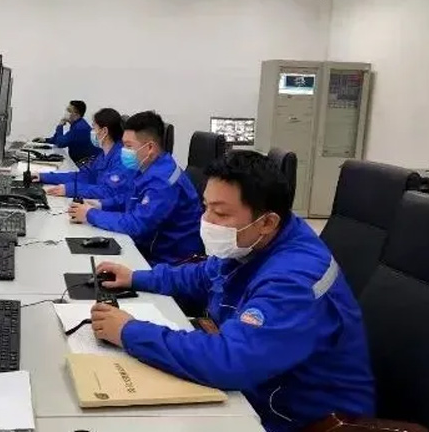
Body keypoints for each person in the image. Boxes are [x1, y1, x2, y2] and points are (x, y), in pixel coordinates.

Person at [89, 151, 375, 432]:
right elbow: (203, 275)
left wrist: (129, 331)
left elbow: (230, 361)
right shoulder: (255, 240)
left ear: (267, 222)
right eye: (206, 207)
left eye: (221, 213)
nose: (207, 221)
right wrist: (135, 277)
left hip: (299, 418)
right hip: (259, 387)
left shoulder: (293, 278)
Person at [68, 111, 203, 265]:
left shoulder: (163, 181)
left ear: (150, 147)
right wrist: (100, 204)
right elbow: (130, 198)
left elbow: (138, 224)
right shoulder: (146, 167)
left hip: (169, 262)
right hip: (147, 249)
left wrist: (90, 214)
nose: (123, 151)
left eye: (128, 146)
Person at [34, 108, 135, 199]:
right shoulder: (103, 155)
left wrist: (71, 189)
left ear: (104, 131)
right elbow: (84, 177)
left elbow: (109, 191)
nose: (91, 131)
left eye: (94, 128)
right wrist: (43, 176)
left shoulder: (121, 158)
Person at [34, 100, 98, 163]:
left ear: (77, 114)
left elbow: (60, 143)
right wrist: (45, 140)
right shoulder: (77, 125)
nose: (66, 112)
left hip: (87, 164)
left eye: (69, 110)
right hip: (82, 161)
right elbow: (59, 139)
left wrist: (60, 126)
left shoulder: (80, 128)